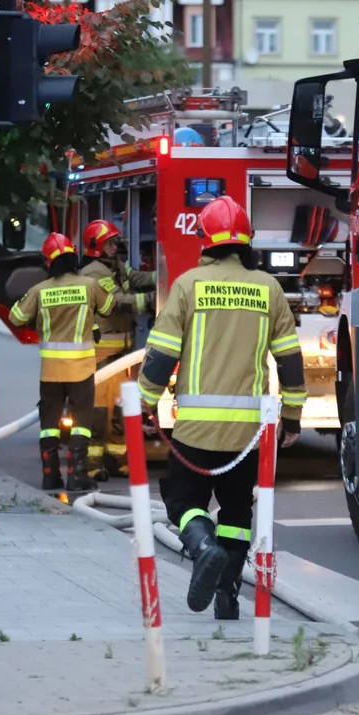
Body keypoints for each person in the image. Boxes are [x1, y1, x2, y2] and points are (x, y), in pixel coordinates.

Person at [137, 195, 306, 619]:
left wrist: (144, 405)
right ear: (245, 242)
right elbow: (290, 359)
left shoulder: (188, 285)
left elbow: (161, 356)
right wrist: (292, 416)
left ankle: (202, 545)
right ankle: (228, 596)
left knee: (181, 500)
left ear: (204, 241)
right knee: (235, 511)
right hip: (247, 432)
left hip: (195, 428)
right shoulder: (269, 288)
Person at [6, 232, 116, 492]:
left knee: (49, 426)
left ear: (49, 262)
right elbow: (109, 307)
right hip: (82, 369)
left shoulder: (39, 290)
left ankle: (50, 476)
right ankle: (77, 477)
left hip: (51, 372)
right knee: (81, 423)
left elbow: (15, 318)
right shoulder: (89, 285)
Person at [79, 219, 156, 480]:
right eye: (110, 242)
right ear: (97, 247)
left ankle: (117, 460)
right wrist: (151, 300)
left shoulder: (116, 266)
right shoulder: (94, 273)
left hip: (120, 354)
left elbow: (138, 278)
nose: (115, 246)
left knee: (120, 409)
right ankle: (91, 465)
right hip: (102, 355)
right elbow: (116, 303)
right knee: (100, 412)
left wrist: (164, 277)